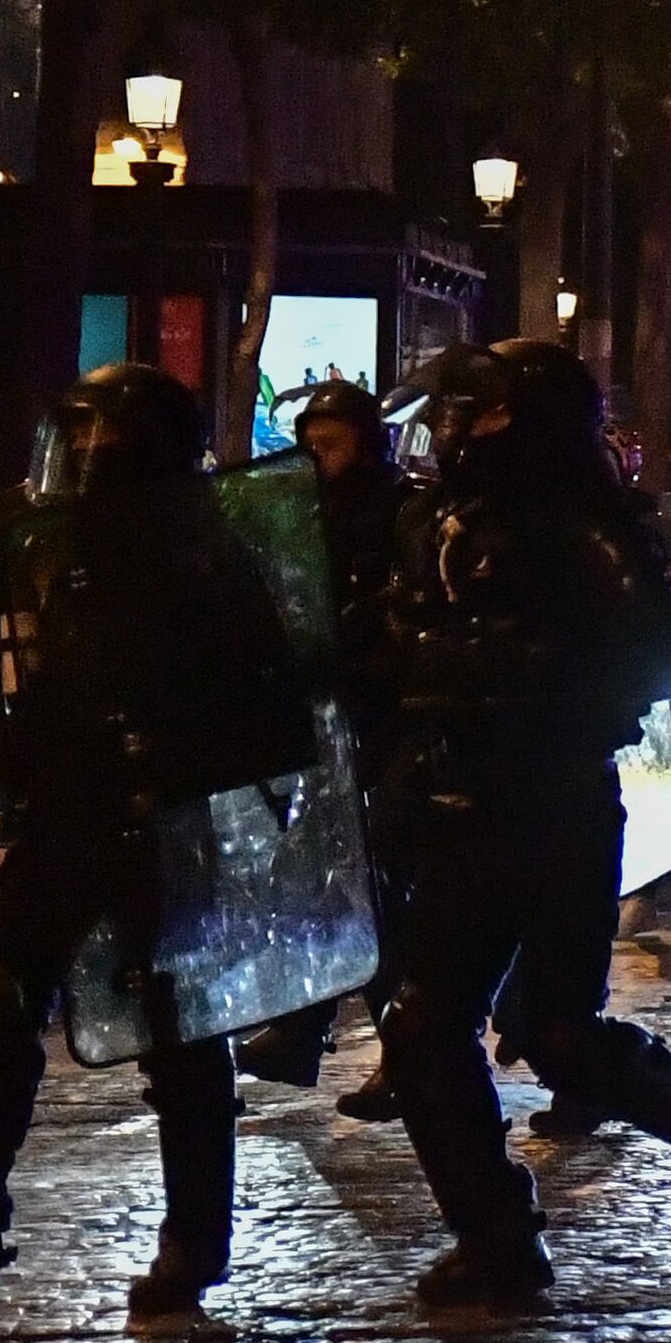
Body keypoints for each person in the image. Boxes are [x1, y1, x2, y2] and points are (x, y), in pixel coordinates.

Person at [0, 364, 320, 1323]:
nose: (75, 453)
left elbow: (275, 713)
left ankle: (194, 1244)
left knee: (179, 1033)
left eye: (91, 435)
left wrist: (170, 762)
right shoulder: (61, 545)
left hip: (160, 825)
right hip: (66, 811)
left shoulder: (206, 553)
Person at [368, 341, 671, 1310]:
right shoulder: (440, 519)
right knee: (424, 1025)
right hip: (455, 798)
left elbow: (651, 664)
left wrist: (497, 669)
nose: (458, 430)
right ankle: (498, 1238)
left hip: (552, 802)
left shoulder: (591, 531)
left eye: (478, 411)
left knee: (553, 1029)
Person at [233, 376, 417, 1107]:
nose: (317, 449)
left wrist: (354, 642)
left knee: (367, 890)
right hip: (318, 714)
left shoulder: (399, 512)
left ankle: (407, 1049)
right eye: (311, 438)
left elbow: (393, 611)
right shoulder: (305, 507)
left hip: (379, 719)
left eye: (331, 438)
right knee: (319, 883)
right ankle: (303, 1027)